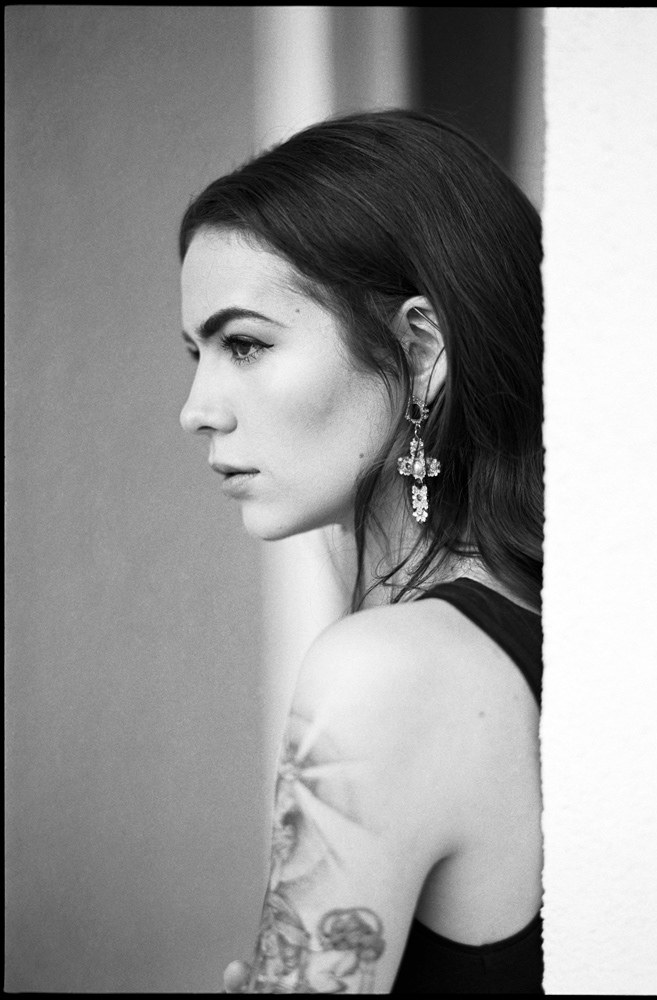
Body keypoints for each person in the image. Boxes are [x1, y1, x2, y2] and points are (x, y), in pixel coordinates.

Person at [178, 109, 544, 994]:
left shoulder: (384, 672)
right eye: (196, 353)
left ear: (419, 351)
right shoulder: (527, 625)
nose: (196, 410)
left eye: (245, 344)